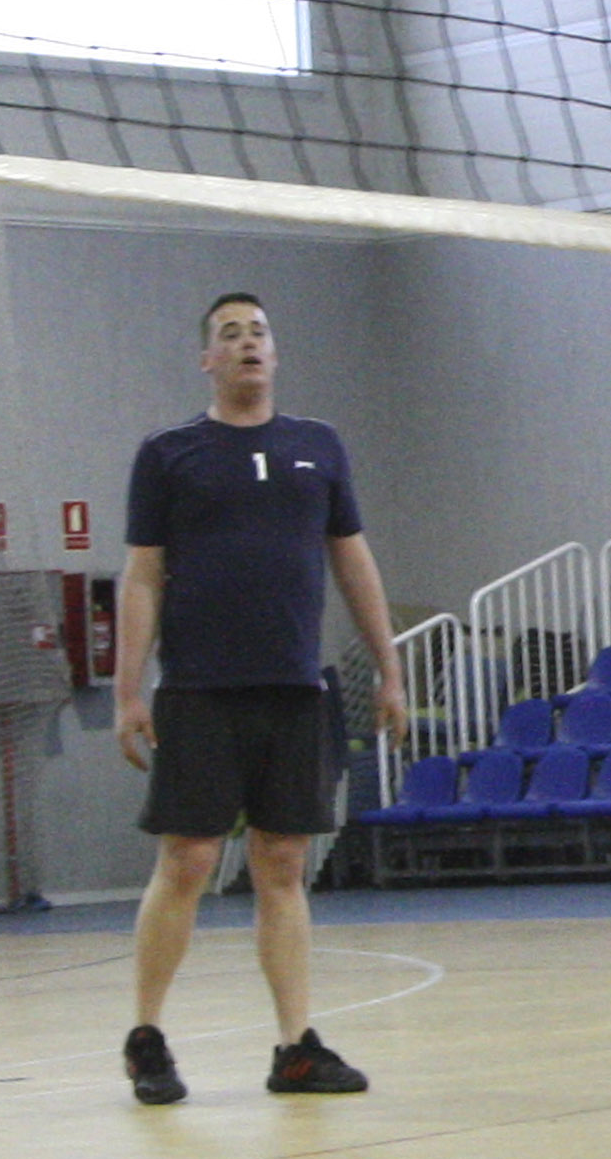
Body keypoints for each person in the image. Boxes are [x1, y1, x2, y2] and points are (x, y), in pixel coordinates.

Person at [115, 292, 408, 1106]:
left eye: (259, 333)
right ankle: (146, 1037)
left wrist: (389, 667)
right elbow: (142, 575)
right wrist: (128, 688)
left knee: (283, 863)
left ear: (275, 355)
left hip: (293, 688)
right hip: (201, 688)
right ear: (207, 360)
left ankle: (294, 1049)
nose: (248, 343)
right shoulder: (170, 454)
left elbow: (352, 559)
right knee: (190, 860)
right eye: (229, 335)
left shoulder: (318, 448)